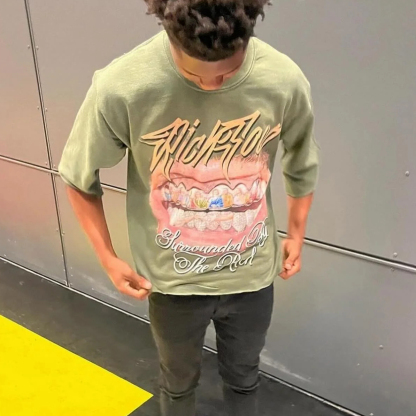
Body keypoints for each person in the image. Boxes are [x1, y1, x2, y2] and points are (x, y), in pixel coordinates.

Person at [58, 0, 319, 414]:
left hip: (252, 278)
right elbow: (77, 175)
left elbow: (302, 161)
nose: (212, 87)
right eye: (194, 75)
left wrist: (298, 234)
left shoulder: (283, 80)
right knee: (177, 384)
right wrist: (107, 258)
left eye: (229, 73)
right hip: (172, 285)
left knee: (245, 379)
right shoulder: (122, 85)